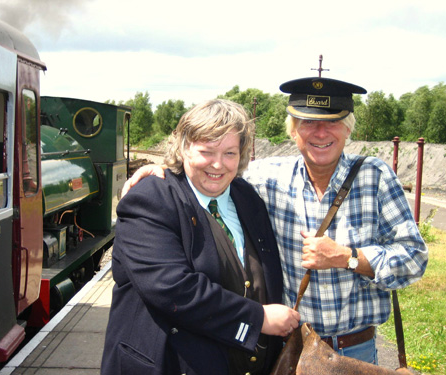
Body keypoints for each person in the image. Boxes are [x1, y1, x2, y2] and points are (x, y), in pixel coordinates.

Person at [122, 77, 428, 365]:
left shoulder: (374, 177)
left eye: (332, 122)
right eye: (308, 122)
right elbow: (213, 168)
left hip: (355, 352)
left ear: (348, 129)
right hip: (291, 348)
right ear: (293, 130)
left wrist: (348, 258)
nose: (320, 133)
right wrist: (158, 173)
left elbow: (414, 258)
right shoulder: (267, 178)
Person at [101, 99, 300, 375]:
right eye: (207, 151)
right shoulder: (150, 199)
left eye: (230, 153)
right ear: (183, 148)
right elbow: (171, 289)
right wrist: (259, 319)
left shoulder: (248, 197)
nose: (218, 164)